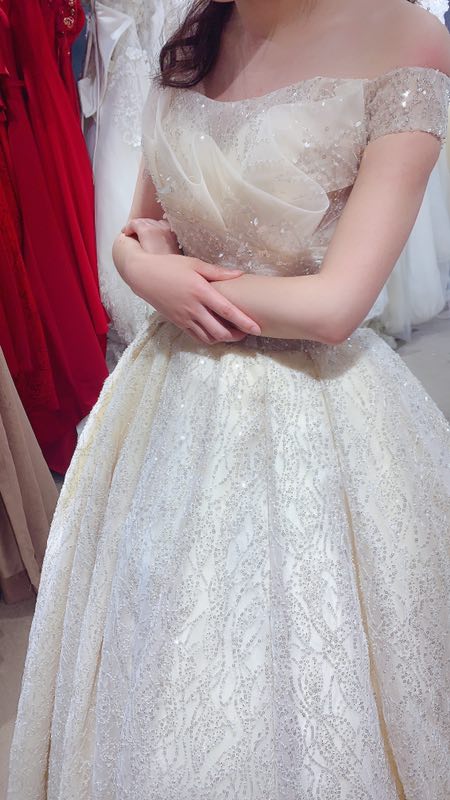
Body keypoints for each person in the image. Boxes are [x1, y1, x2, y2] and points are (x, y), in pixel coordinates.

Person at [7, 1, 450, 798]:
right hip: (163, 399)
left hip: (314, 407)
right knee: (152, 656)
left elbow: (335, 305)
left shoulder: (406, 36)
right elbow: (140, 231)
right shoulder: (196, 31)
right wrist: (143, 270)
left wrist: (172, 282)